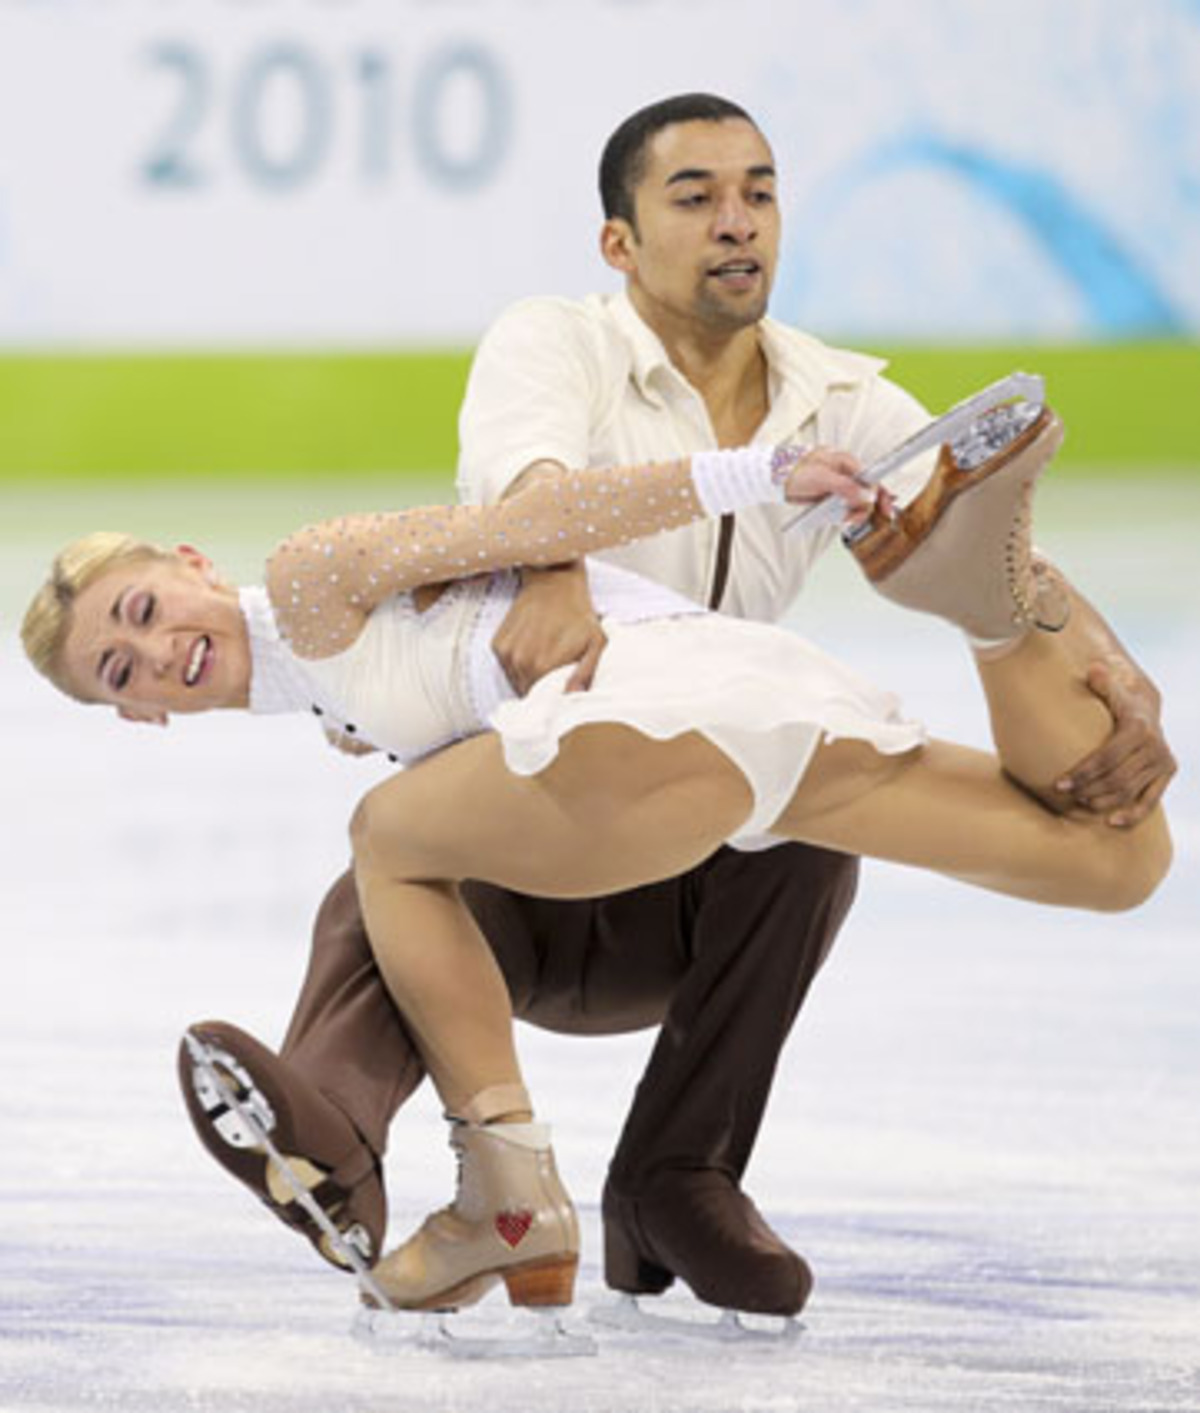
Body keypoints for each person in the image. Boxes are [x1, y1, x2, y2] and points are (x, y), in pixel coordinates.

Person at [25, 90, 1177, 1322]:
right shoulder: (550, 349)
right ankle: (337, 1138)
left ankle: (558, 1189)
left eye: (757, 192)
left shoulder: (319, 576)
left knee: (389, 843)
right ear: (619, 241)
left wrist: (1115, 677)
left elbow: (525, 517)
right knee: (1113, 865)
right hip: (751, 723)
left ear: (196, 563)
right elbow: (528, 477)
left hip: (644, 737)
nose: (736, 222)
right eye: (120, 669)